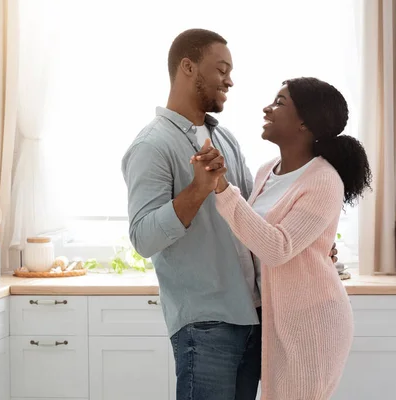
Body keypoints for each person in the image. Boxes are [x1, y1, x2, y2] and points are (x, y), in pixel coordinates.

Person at [121, 29, 338, 399]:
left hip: (253, 317)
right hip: (204, 325)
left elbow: (254, 219)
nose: (230, 80)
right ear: (188, 68)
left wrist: (314, 244)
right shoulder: (151, 145)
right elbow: (143, 238)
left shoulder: (226, 140)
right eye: (221, 69)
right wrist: (197, 190)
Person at [191, 77, 372, 400]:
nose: (267, 108)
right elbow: (252, 236)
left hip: (312, 323)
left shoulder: (324, 181)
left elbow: (276, 248)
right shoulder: (267, 171)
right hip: (275, 321)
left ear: (305, 122)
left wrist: (222, 187)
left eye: (279, 103)